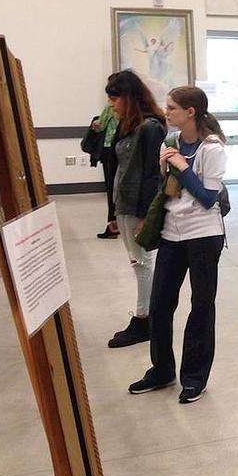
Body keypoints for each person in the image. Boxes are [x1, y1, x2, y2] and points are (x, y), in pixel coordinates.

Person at [128, 86, 227, 404]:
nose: (166, 112)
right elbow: (167, 191)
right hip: (172, 233)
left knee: (201, 306)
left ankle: (195, 378)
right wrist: (165, 170)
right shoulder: (169, 142)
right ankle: (162, 370)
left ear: (190, 112)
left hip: (204, 235)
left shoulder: (212, 148)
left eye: (172, 108)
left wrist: (183, 168)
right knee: (159, 305)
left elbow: (209, 198)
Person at [106, 70, 166, 348]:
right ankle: (145, 318)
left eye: (115, 98)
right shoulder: (128, 125)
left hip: (136, 207)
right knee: (137, 262)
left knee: (141, 263)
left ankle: (145, 320)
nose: (111, 104)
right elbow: (117, 168)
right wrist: (113, 213)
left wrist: (144, 215)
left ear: (129, 97)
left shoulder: (150, 128)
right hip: (124, 204)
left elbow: (152, 175)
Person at [93, 95, 121, 239]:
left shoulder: (111, 107)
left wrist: (95, 123)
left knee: (111, 189)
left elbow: (101, 125)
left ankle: (112, 226)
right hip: (123, 149)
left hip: (110, 149)